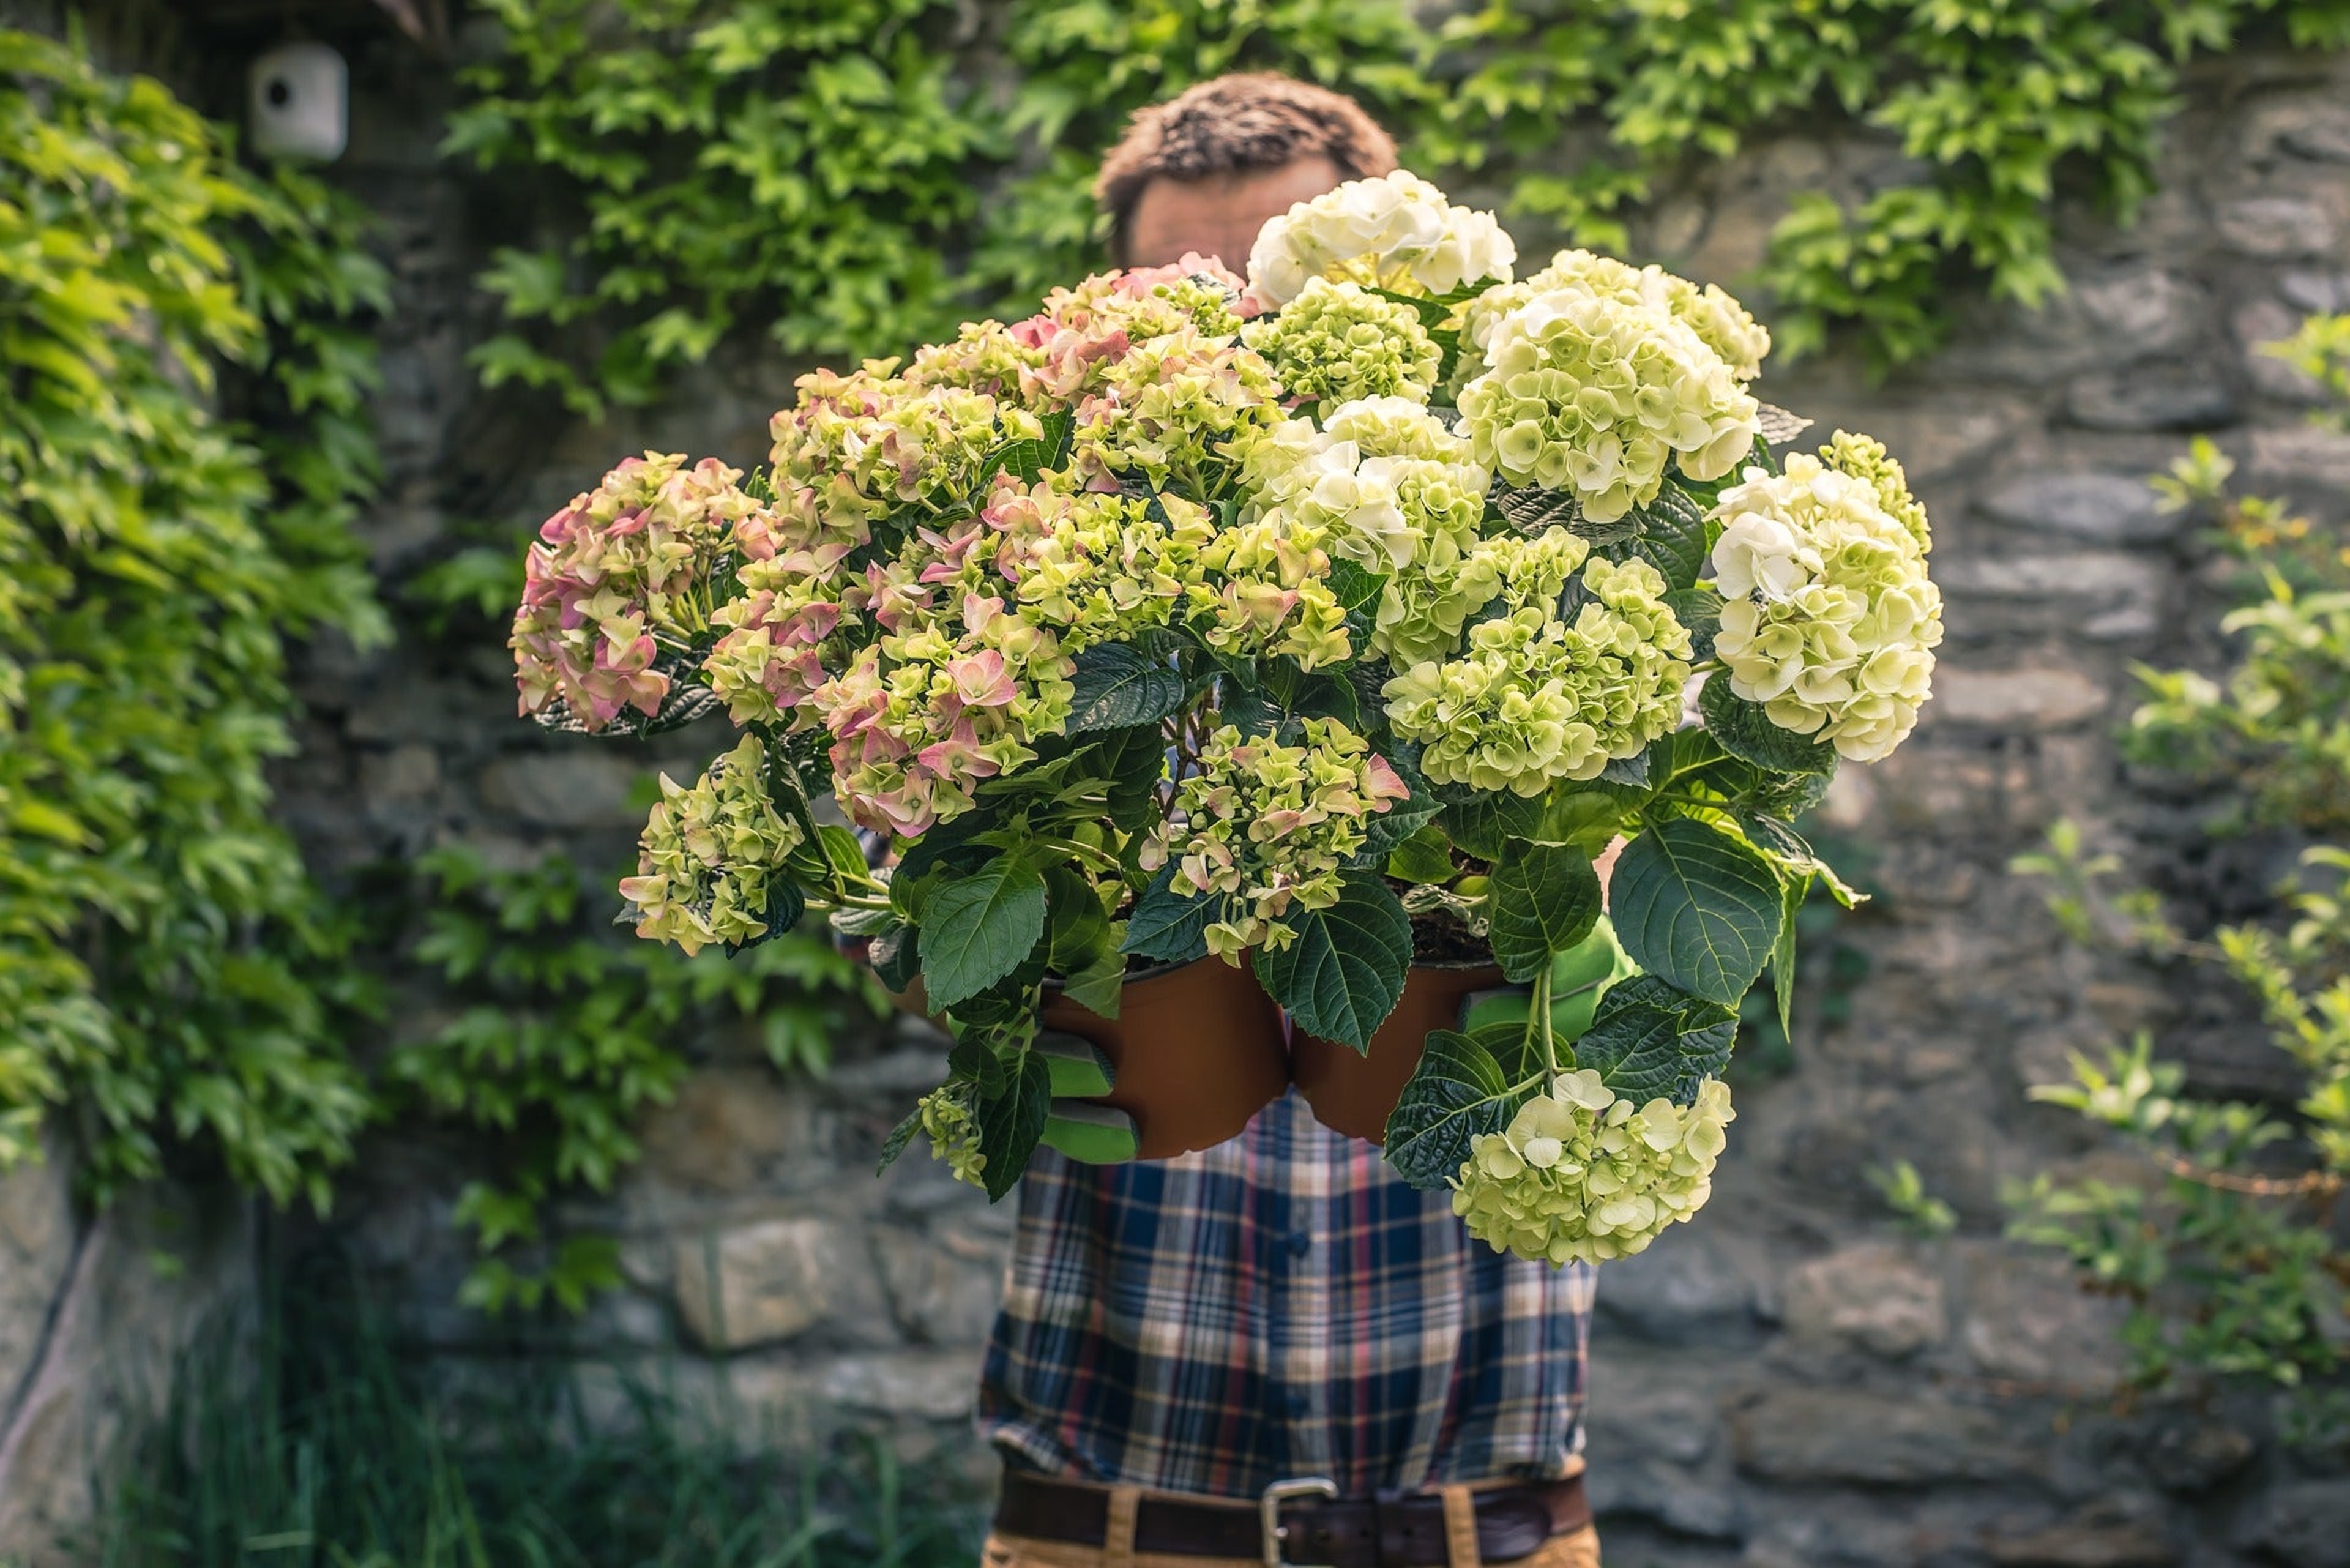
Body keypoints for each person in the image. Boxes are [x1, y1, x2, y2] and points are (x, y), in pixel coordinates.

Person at [968, 76, 1609, 1568]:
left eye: (1264, 289)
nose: (1228, 343)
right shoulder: (1025, 606)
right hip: (1111, 1528)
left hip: (1481, 1532)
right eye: (1173, 299)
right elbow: (908, 913)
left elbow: (1649, 918)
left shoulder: (1548, 581)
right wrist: (977, 947)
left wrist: (1578, 903)